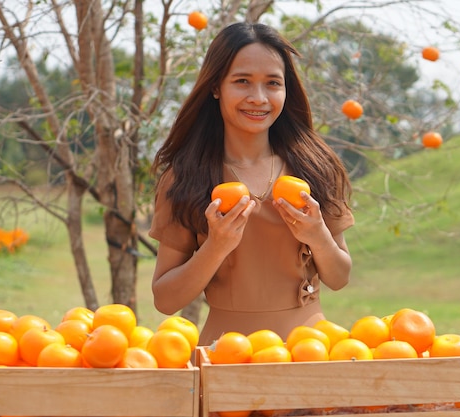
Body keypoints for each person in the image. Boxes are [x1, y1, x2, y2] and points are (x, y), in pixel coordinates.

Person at [149, 21, 354, 346]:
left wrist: (318, 236)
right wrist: (216, 247)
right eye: (242, 81)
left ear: (286, 89)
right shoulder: (186, 177)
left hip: (311, 351)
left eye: (273, 83)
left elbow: (340, 277)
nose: (258, 98)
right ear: (216, 86)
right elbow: (165, 299)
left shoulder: (315, 166)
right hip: (226, 354)